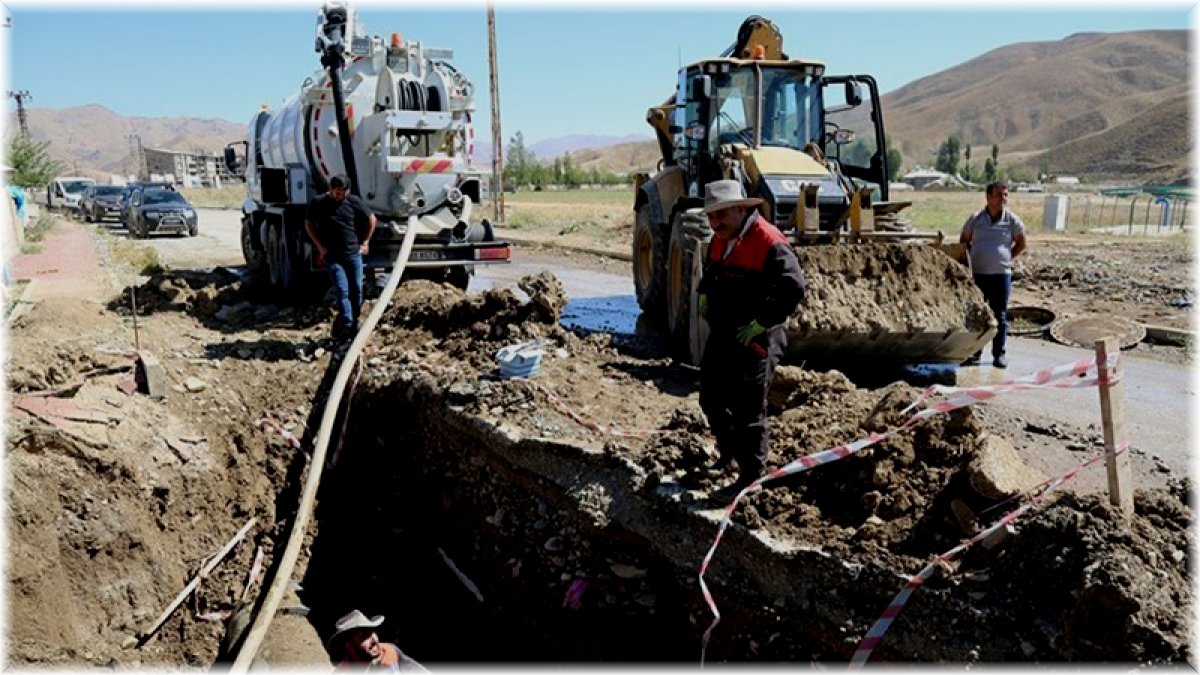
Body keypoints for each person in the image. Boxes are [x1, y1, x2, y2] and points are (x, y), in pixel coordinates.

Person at [696, 179, 806, 501]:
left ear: (741, 209)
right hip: (724, 332)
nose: (715, 223)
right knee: (711, 398)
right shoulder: (720, 239)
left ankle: (750, 477)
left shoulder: (769, 241)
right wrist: (704, 294)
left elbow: (794, 287)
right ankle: (728, 455)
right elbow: (711, 270)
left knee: (748, 408)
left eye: (721, 215)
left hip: (757, 337)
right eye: (710, 216)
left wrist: (762, 322)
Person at [959, 181, 1027, 369]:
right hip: (978, 275)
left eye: (1005, 194)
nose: (1002, 198)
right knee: (976, 314)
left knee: (1000, 316)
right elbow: (963, 242)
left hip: (1001, 275)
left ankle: (999, 354)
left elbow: (1021, 243)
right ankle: (974, 352)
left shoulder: (1012, 220)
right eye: (998, 195)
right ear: (988, 197)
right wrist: (973, 259)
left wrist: (1005, 257)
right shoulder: (975, 219)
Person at [305, 174, 377, 340]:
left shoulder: (353, 201)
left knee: (357, 289)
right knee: (342, 289)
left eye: (343, 193)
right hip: (332, 255)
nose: (340, 196)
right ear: (331, 189)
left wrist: (365, 242)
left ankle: (354, 322)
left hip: (353, 253)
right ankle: (348, 325)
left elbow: (372, 219)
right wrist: (320, 246)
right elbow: (308, 223)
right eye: (337, 193)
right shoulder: (319, 202)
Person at [327, 609, 428, 672]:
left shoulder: (390, 651)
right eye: (363, 635)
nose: (375, 639)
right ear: (349, 645)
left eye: (372, 631)